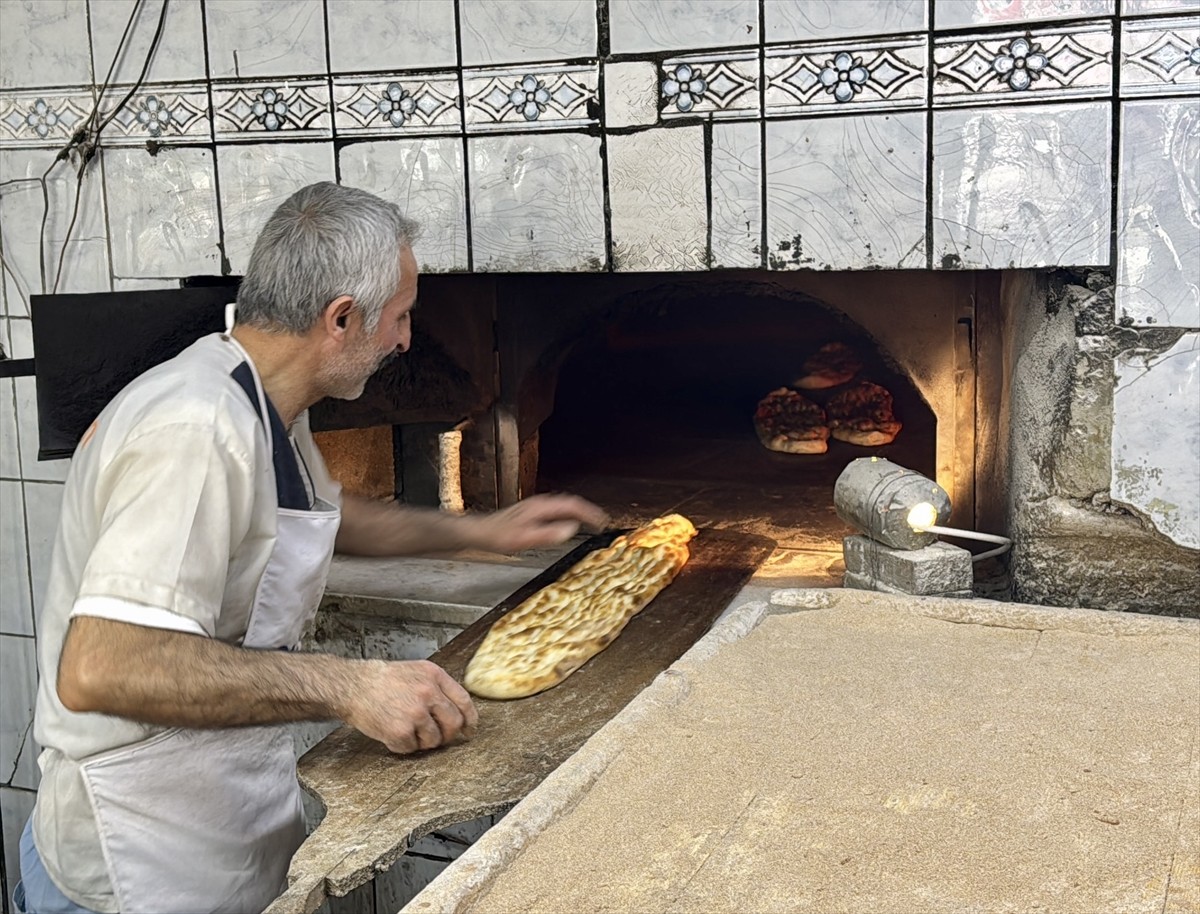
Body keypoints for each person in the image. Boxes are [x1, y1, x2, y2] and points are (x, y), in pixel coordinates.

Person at [16, 182, 608, 914]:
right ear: (341, 318)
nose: (405, 340)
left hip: (216, 823)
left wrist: (479, 532)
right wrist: (350, 687)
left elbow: (327, 519)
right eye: (400, 316)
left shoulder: (258, 396)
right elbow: (102, 665)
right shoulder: (195, 430)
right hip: (136, 859)